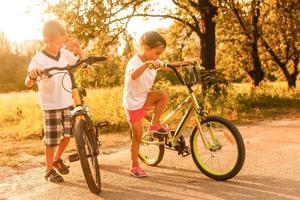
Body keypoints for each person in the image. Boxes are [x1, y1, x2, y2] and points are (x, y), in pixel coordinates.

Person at [122, 31, 192, 177]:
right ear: (146, 49)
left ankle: (154, 124)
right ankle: (134, 166)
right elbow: (133, 76)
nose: (158, 57)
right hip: (133, 103)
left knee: (163, 94)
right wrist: (147, 64)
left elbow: (168, 66)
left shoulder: (154, 61)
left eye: (160, 54)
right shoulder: (134, 62)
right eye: (157, 53)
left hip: (144, 97)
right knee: (138, 137)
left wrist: (187, 63)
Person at [25, 20, 85, 183]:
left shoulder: (65, 54)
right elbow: (28, 83)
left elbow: (81, 65)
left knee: (68, 135)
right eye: (58, 43)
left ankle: (57, 159)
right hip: (50, 105)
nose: (61, 45)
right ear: (46, 40)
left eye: (63, 42)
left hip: (67, 102)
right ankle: (49, 170)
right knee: (52, 140)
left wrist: (79, 51)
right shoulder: (38, 58)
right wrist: (33, 75)